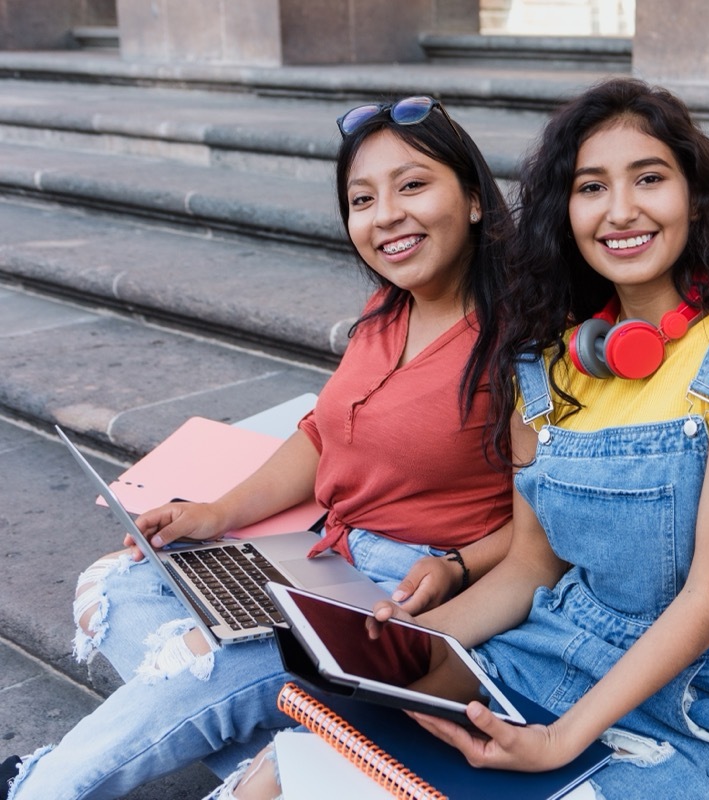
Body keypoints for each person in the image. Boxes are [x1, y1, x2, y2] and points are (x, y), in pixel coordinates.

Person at [221, 76, 709, 800]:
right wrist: (406, 648)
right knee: (303, 764)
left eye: (649, 179)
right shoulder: (548, 363)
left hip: (675, 694)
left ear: (693, 194)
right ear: (566, 211)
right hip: (544, 647)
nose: (620, 210)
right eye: (591, 187)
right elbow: (531, 564)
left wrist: (564, 737)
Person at [4, 95, 517, 800]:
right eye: (361, 199)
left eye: (412, 185)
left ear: (474, 198)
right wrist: (215, 514)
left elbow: (552, 521)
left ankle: (38, 786)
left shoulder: (520, 340)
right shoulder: (387, 310)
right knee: (116, 584)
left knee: (205, 662)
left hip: (400, 602)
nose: (385, 216)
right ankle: (273, 754)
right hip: (322, 562)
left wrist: (457, 566)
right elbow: (320, 435)